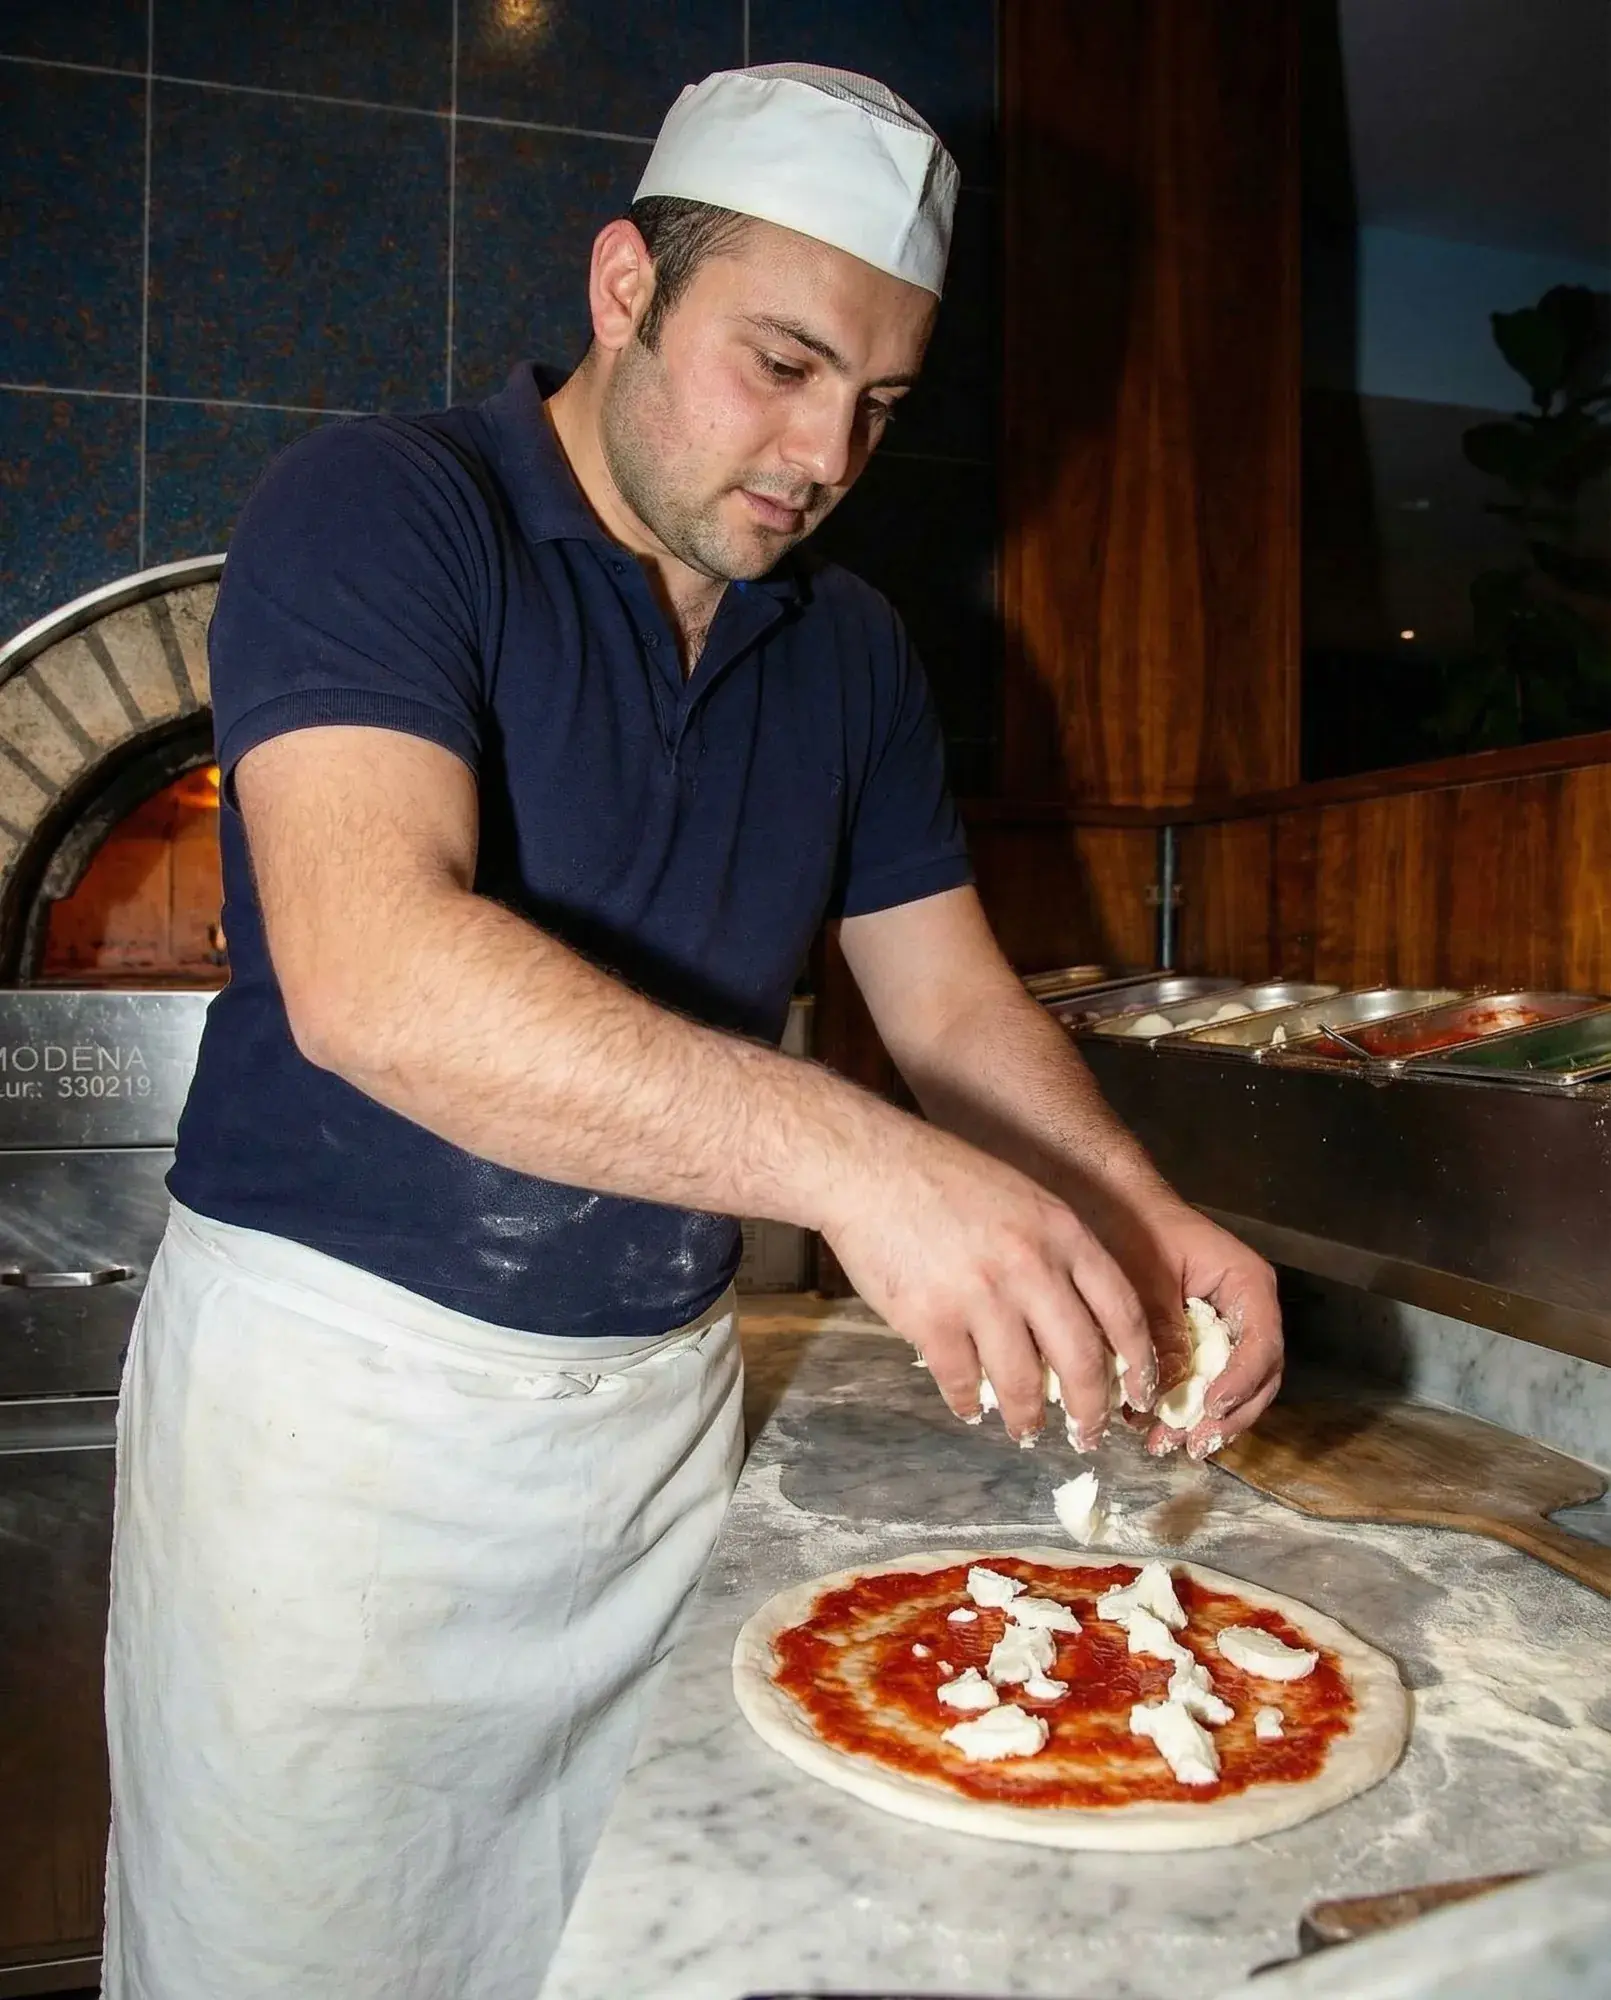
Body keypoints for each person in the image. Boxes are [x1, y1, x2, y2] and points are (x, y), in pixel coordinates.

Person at [101, 61, 1282, 2000]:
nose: (825, 453)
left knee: (627, 1950)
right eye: (784, 364)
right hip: (334, 1458)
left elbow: (955, 1002)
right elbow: (377, 969)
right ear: (625, 283)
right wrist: (861, 1165)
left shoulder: (852, 649)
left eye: (879, 405)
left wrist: (1133, 1222)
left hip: (657, 1443)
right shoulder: (385, 509)